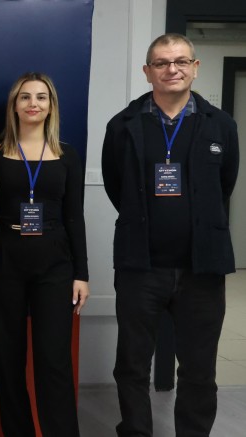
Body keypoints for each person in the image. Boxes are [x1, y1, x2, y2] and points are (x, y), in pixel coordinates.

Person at [102, 33, 238, 437]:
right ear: (148, 72)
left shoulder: (221, 125)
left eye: (180, 61)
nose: (171, 69)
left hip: (202, 269)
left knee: (199, 368)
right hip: (140, 267)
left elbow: (225, 185)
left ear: (195, 68)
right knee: (132, 364)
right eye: (161, 63)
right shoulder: (122, 125)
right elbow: (115, 185)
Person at [0, 72, 89, 437]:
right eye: (25, 97)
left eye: (41, 97)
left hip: (55, 264)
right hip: (5, 262)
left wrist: (82, 273)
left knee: (54, 360)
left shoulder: (67, 155)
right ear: (14, 106)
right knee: (7, 359)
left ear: (51, 106)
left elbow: (74, 216)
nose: (33, 104)